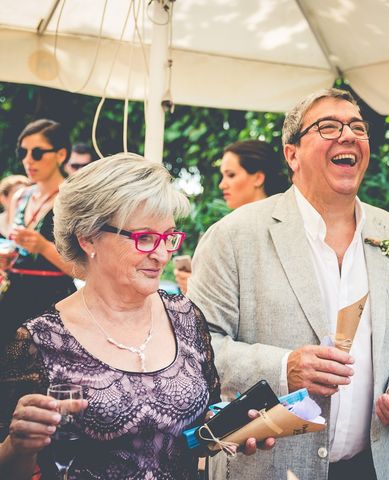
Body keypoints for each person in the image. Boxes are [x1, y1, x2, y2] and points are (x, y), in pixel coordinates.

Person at [188, 88, 389, 480]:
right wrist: (283, 367)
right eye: (328, 126)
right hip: (266, 468)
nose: (348, 135)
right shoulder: (233, 235)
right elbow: (196, 350)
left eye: (357, 126)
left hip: (372, 466)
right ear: (292, 154)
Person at [0, 154, 274, 479]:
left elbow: (195, 432)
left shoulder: (185, 316)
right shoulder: (40, 340)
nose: (161, 255)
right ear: (87, 237)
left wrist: (231, 429)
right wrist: (19, 445)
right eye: (144, 238)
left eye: (169, 237)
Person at [173, 139, 288, 293]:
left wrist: (197, 291)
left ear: (258, 178)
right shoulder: (289, 220)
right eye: (223, 176)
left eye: (231, 175)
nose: (222, 184)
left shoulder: (229, 231)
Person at [0, 120, 76, 351]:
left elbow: (83, 268)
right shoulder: (20, 196)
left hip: (53, 296)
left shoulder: (72, 198)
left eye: (38, 152)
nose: (28, 159)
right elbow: (14, 248)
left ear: (60, 154)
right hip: (15, 293)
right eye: (22, 152)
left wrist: (43, 247)